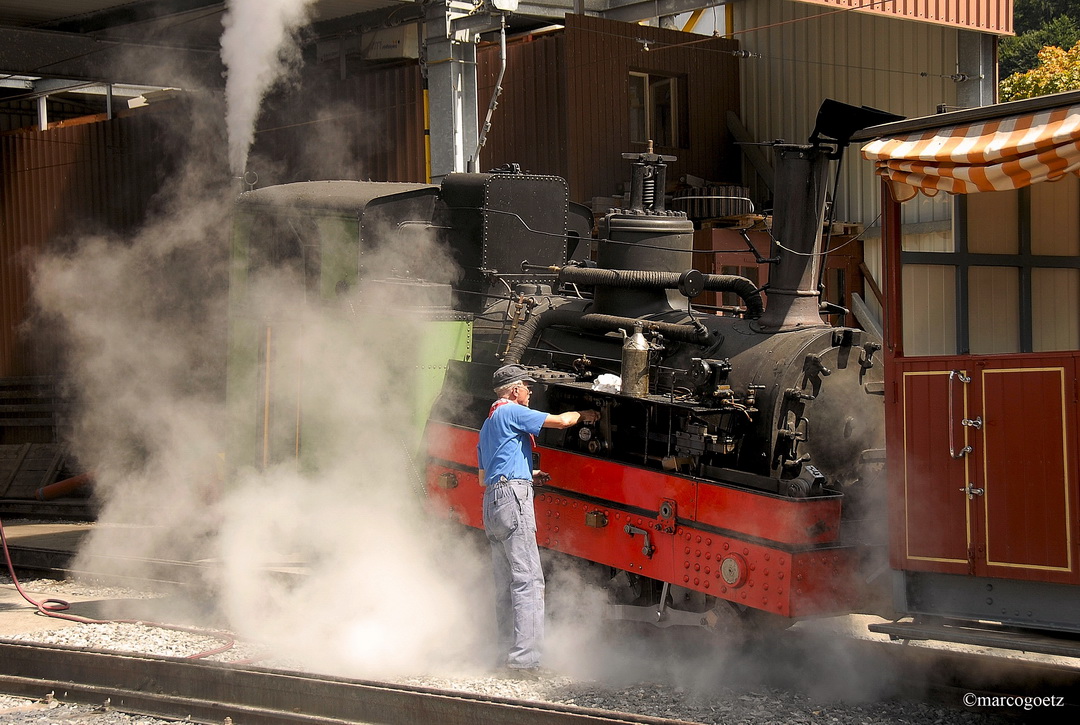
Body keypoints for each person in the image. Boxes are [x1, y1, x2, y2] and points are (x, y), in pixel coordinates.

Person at [477, 364, 601, 678]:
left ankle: (504, 654)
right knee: (529, 581)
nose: (531, 393)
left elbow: (483, 475)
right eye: (528, 388)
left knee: (505, 584)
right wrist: (583, 414)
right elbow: (559, 422)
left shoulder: (488, 423)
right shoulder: (510, 411)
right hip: (513, 499)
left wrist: (527, 472)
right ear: (514, 390)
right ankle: (526, 662)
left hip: (492, 501)